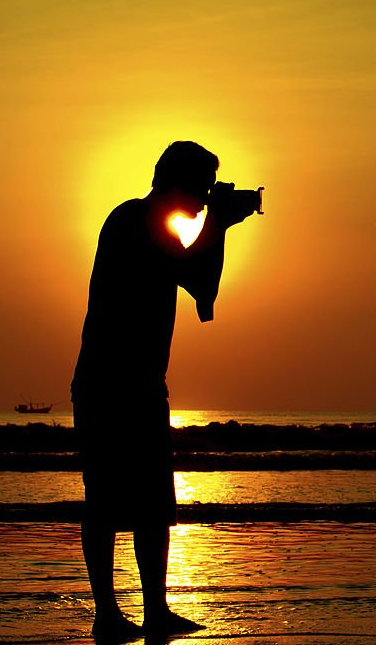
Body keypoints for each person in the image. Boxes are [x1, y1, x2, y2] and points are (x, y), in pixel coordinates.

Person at [71, 141, 257, 640]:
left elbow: (203, 288)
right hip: (110, 384)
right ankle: (109, 614)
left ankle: (154, 609)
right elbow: (197, 279)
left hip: (141, 383)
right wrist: (218, 222)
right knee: (106, 501)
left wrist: (218, 223)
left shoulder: (163, 228)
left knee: (153, 503)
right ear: (177, 180)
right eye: (202, 186)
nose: (205, 196)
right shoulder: (134, 220)